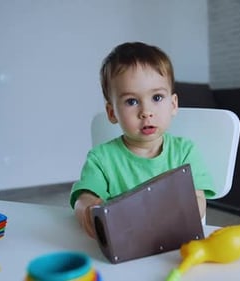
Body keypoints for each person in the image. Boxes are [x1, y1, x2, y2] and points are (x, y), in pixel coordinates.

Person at [70, 42, 215, 238]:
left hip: (173, 240)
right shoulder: (101, 159)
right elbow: (84, 198)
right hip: (125, 243)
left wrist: (178, 216)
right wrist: (87, 209)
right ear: (112, 113)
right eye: (132, 101)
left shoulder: (185, 152)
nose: (146, 112)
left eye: (156, 97)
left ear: (173, 104)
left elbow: (198, 199)